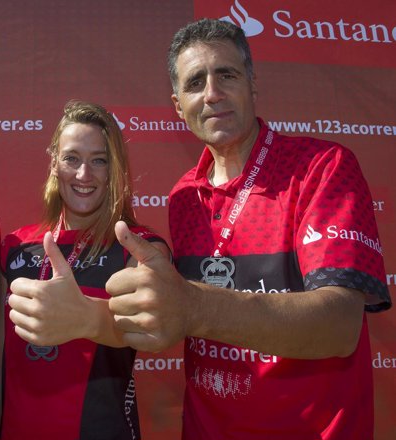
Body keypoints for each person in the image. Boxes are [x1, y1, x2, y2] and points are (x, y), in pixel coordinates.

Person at [104, 18, 391, 440]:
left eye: (227, 75)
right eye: (195, 82)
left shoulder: (323, 168)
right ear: (177, 105)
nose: (212, 94)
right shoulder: (183, 196)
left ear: (253, 85)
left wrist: (194, 306)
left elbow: (340, 325)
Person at [0, 101, 170, 440]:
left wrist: (85, 315)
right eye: (72, 158)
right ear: (54, 163)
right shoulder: (15, 246)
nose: (84, 174)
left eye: (99, 160)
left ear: (115, 169)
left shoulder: (140, 248)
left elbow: (152, 330)